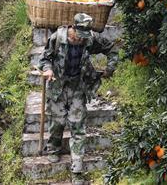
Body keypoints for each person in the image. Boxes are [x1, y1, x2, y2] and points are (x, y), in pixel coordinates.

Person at [39, 13, 119, 185]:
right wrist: (48, 69)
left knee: (78, 126)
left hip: (78, 86)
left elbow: (111, 48)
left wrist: (110, 68)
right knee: (58, 121)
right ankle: (53, 148)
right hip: (58, 86)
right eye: (79, 36)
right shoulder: (57, 38)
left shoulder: (90, 39)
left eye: (85, 37)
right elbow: (45, 58)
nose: (81, 40)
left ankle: (77, 169)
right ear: (73, 28)